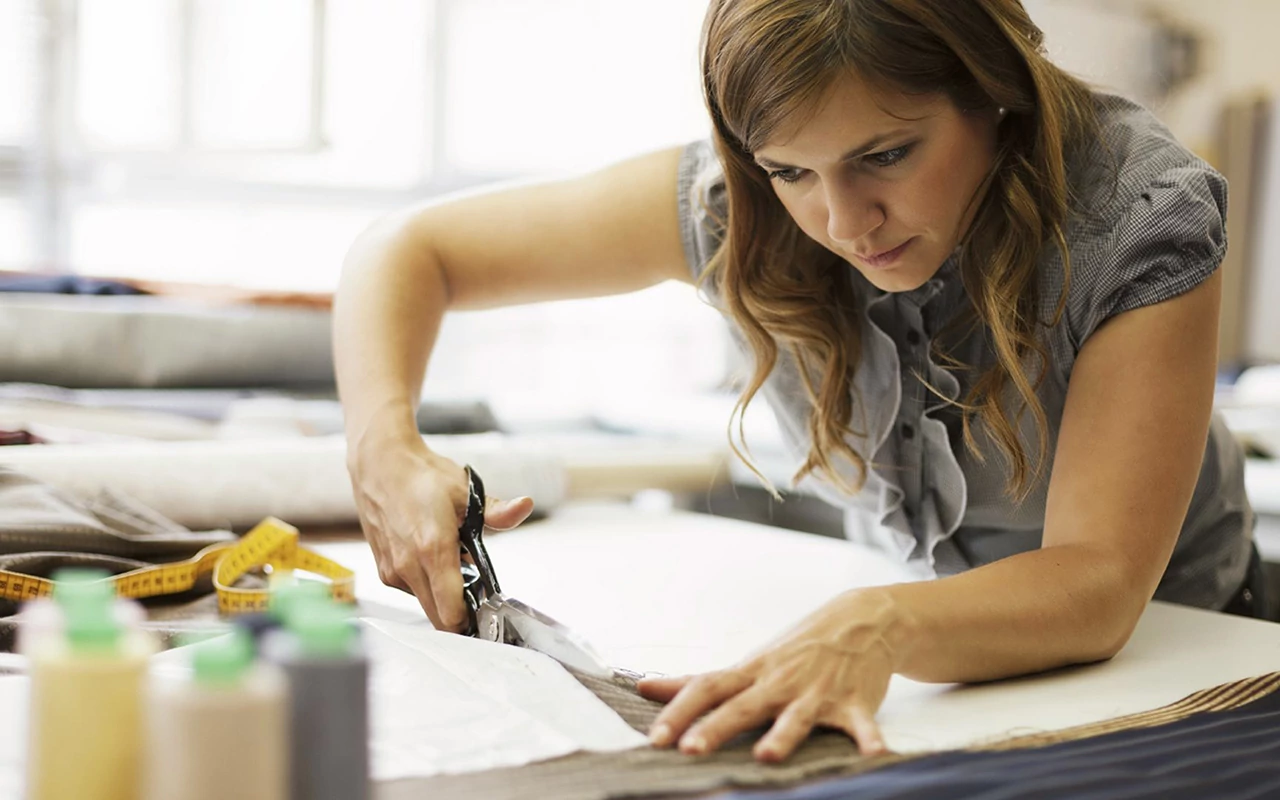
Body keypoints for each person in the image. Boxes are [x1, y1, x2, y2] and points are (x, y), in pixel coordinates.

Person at [334, 0, 1265, 764]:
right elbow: (410, 250)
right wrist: (383, 447)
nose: (844, 222)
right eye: (789, 169)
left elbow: (1097, 584)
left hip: (1190, 659)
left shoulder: (1137, 214)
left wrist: (878, 622)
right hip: (946, 670)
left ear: (996, 92)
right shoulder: (734, 201)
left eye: (886, 155)